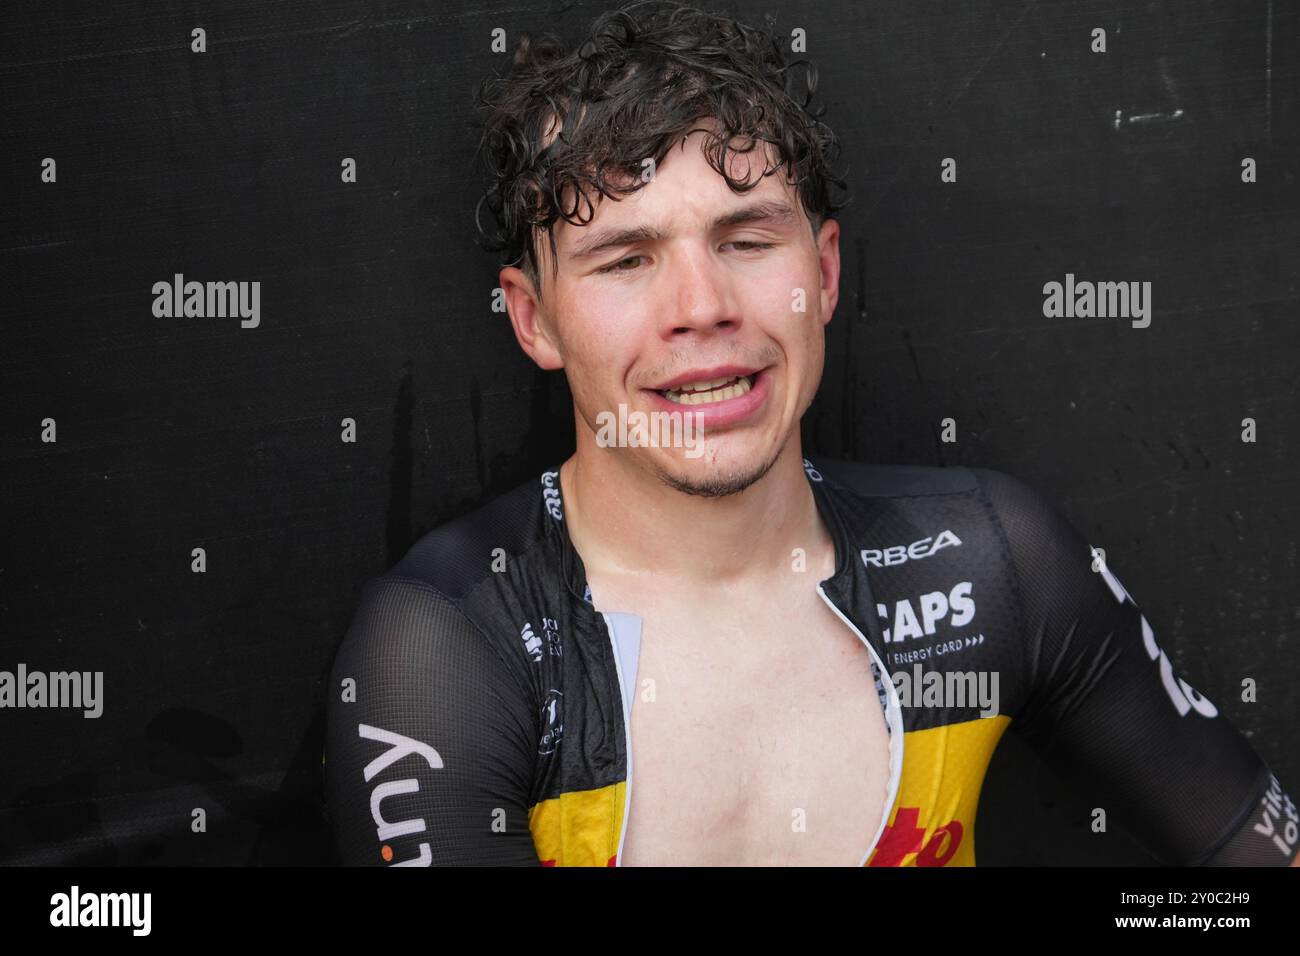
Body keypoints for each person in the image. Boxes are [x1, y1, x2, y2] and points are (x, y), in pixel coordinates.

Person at [324, 0, 1299, 866]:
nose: (700, 307)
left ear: (824, 275)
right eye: (624, 259)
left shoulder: (992, 561)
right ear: (533, 320)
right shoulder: (445, 647)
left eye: (747, 240)